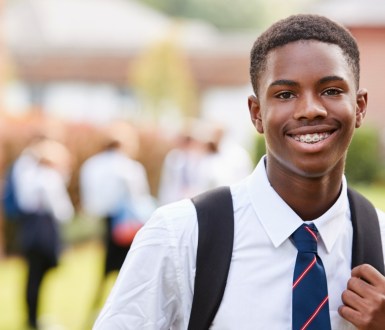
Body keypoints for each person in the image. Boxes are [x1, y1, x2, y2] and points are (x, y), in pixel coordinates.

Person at [93, 14, 385, 329]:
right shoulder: (180, 238)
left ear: (360, 107)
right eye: (285, 94)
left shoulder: (381, 239)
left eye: (331, 90)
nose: (310, 109)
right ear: (257, 114)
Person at [79, 124, 156, 301]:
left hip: (102, 218)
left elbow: (88, 196)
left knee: (106, 263)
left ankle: (100, 299)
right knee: (127, 264)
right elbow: (139, 197)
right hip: (124, 223)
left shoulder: (92, 164)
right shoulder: (129, 167)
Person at [13, 136, 74, 329]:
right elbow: (62, 210)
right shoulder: (49, 178)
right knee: (38, 276)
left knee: (33, 276)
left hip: (30, 231)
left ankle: (32, 316)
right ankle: (34, 318)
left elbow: (25, 203)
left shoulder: (29, 175)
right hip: (44, 233)